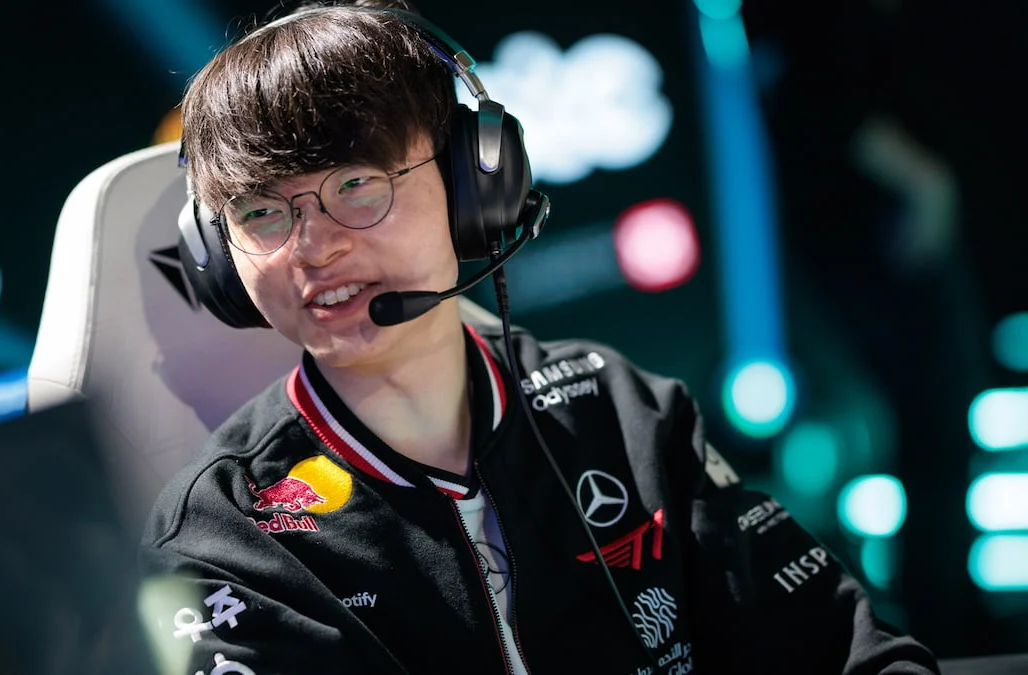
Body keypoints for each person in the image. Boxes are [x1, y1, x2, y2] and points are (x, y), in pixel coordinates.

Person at [138, 1, 942, 673]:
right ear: (219, 258)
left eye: (357, 184)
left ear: (471, 183)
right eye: (262, 212)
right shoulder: (225, 535)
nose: (315, 247)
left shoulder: (619, 408)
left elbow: (848, 652)